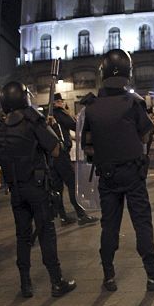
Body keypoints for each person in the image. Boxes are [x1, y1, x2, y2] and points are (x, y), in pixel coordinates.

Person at [82, 49, 154, 292]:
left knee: (109, 225)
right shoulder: (133, 103)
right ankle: (152, 274)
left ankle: (108, 276)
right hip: (133, 172)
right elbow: (146, 134)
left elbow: (87, 147)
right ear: (128, 73)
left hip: (107, 175)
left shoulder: (91, 107)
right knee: (142, 222)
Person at [0, 82, 76, 299]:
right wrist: (47, 129)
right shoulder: (32, 121)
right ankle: (56, 282)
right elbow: (56, 150)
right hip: (37, 187)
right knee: (46, 233)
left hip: (16, 190)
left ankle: (25, 284)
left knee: (22, 236)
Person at [48, 93, 98, 226]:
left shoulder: (48, 116)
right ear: (57, 102)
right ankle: (81, 215)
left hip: (52, 156)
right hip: (61, 154)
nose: (62, 103)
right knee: (72, 184)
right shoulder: (59, 113)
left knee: (58, 186)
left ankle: (63, 216)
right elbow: (75, 125)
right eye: (60, 101)